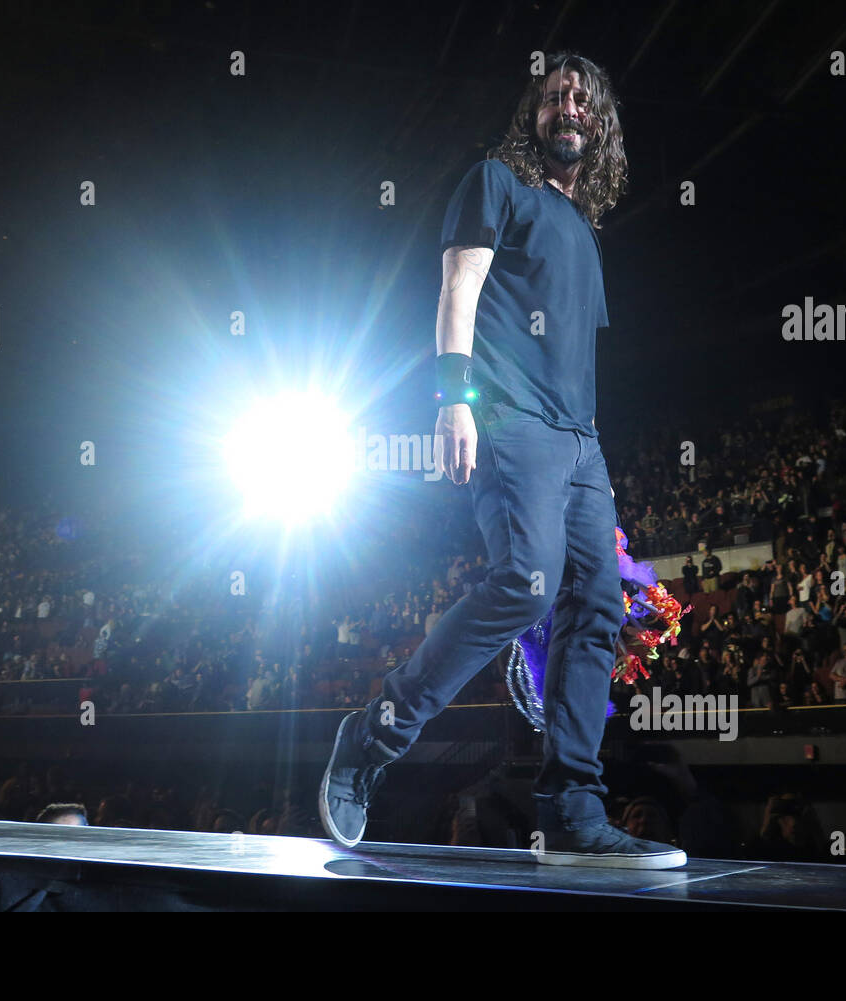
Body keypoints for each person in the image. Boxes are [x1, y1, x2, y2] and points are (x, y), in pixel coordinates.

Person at [320, 52, 684, 869]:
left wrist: (596, 486)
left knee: (596, 605)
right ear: (535, 112)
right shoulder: (495, 182)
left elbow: (575, 364)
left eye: (583, 100)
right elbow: (459, 287)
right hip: (509, 420)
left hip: (580, 443)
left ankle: (572, 808)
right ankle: (379, 730)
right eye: (555, 95)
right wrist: (454, 397)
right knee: (525, 578)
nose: (569, 106)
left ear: (601, 125)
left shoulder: (585, 233)